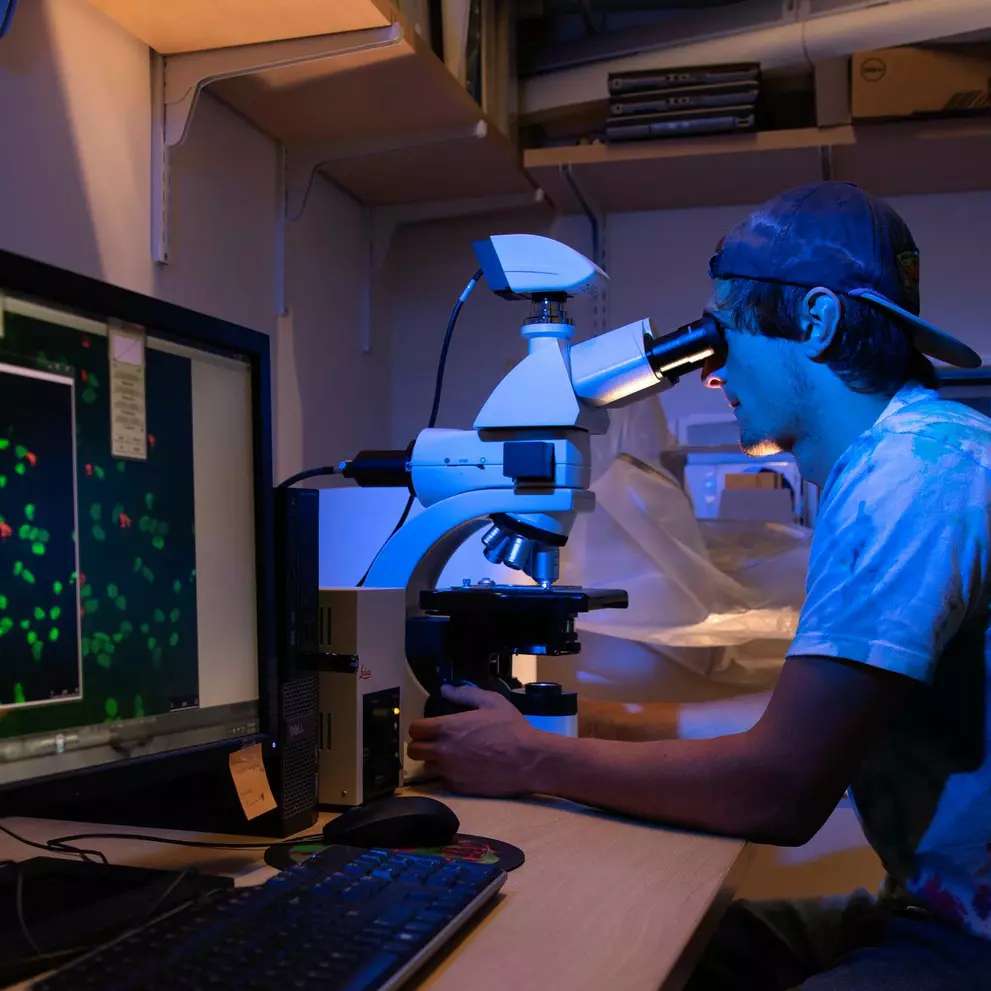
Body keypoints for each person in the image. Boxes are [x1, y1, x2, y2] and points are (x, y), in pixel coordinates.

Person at [407, 181, 991, 989]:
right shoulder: (915, 453)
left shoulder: (911, 477)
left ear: (815, 322)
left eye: (726, 330)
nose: (712, 374)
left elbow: (778, 790)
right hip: (930, 905)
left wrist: (531, 758)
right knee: (638, 938)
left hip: (971, 939)